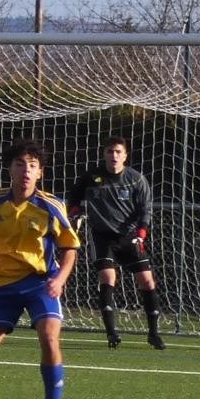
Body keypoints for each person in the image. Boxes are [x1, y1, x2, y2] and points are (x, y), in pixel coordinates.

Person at [0, 139, 80, 399]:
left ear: (40, 172)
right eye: (20, 164)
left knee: (49, 337)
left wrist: (60, 278)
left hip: (41, 282)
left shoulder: (51, 205)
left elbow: (69, 247)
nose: (26, 170)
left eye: (32, 165)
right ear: (10, 169)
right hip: (3, 284)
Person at [67, 136, 166, 350]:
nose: (114, 155)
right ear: (104, 154)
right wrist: (75, 211)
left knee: (147, 281)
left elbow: (145, 209)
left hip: (129, 236)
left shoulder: (135, 179)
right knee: (107, 277)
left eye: (118, 151)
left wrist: (141, 232)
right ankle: (111, 333)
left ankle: (154, 334)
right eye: (110, 151)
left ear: (125, 156)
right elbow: (73, 197)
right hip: (102, 236)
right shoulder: (92, 177)